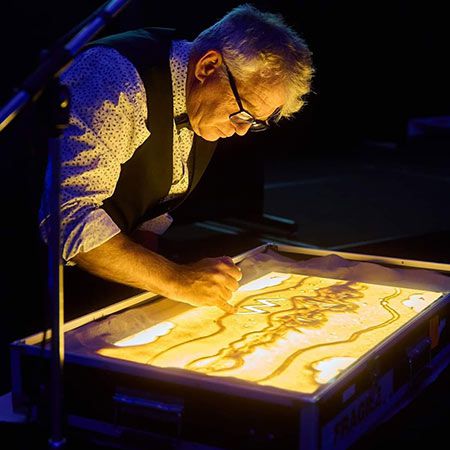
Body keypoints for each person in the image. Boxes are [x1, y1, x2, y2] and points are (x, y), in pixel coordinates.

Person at [38, 3, 314, 314]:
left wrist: (153, 286)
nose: (240, 131)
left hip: (97, 285)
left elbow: (153, 202)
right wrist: (176, 279)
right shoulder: (117, 82)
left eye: (255, 122)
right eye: (242, 113)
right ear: (208, 67)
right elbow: (68, 217)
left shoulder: (202, 106)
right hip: (32, 290)